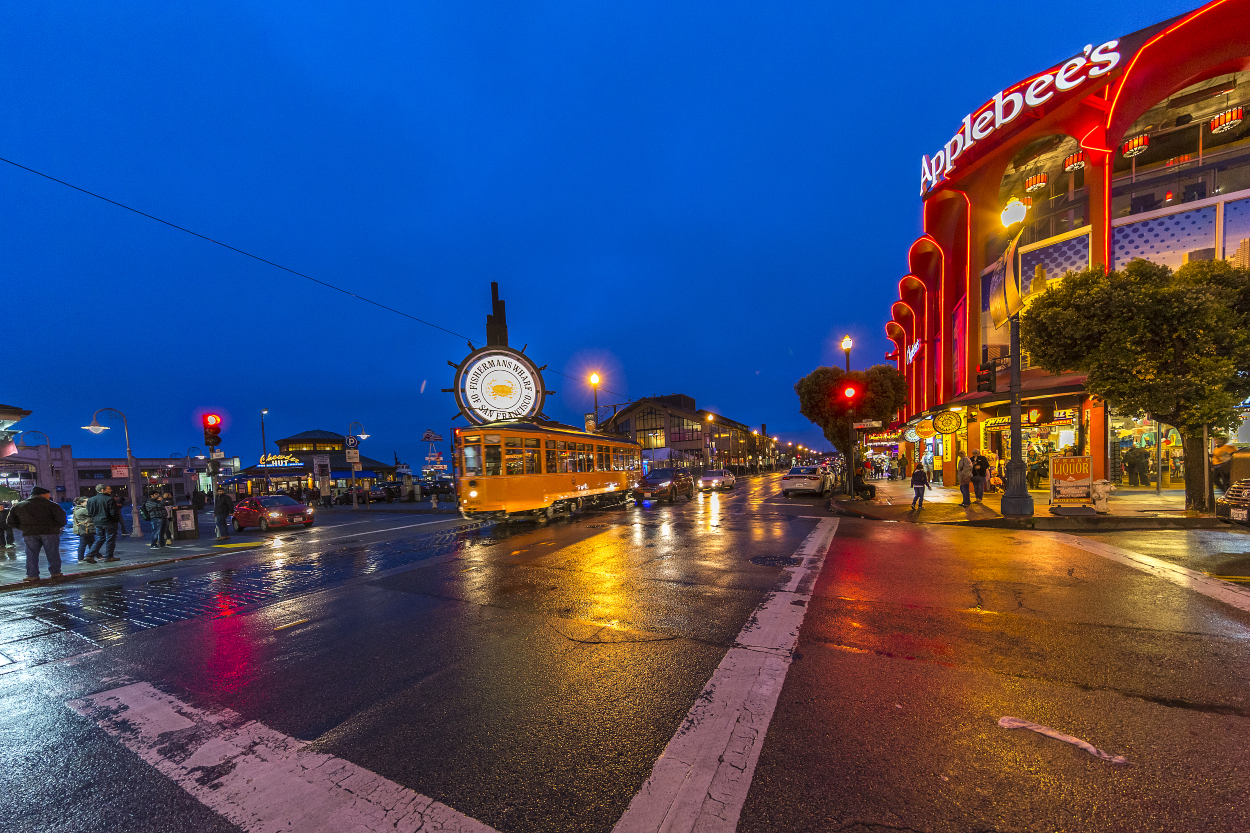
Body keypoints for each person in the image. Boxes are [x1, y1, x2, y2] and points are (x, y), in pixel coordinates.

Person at [7, 487, 67, 582]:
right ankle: (55, 573)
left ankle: (32, 575)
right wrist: (56, 527)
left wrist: (24, 527)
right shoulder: (52, 505)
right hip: (49, 532)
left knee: (31, 554)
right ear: (43, 494)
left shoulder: (19, 506)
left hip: (29, 533)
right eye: (48, 494)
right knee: (53, 553)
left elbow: (11, 521)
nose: (49, 496)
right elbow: (62, 520)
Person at [85, 484, 121, 563]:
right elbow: (113, 513)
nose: (110, 490)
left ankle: (90, 555)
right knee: (110, 539)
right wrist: (117, 520)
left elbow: (89, 513)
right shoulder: (109, 499)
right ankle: (108, 556)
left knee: (99, 538)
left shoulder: (91, 500)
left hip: (97, 522)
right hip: (109, 522)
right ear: (102, 490)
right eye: (108, 489)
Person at [72, 496, 95, 563]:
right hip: (85, 529)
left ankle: (91, 556)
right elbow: (93, 514)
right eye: (87, 502)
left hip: (85, 528)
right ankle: (81, 558)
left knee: (90, 542)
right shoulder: (83, 510)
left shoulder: (77, 509)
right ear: (81, 503)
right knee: (84, 543)